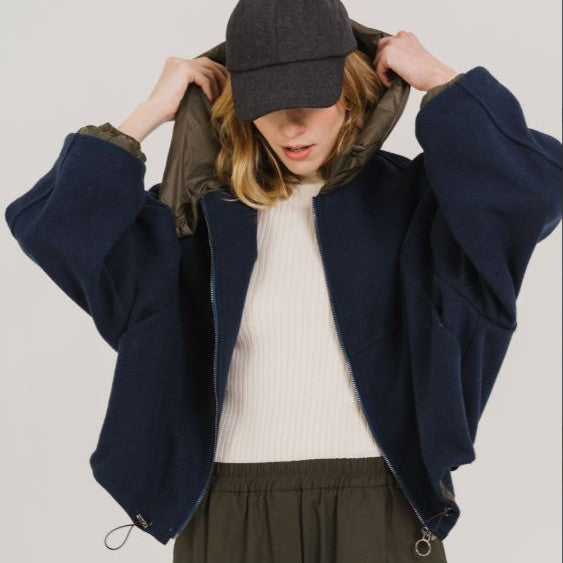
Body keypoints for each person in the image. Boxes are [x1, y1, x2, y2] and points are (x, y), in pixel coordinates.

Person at [4, 0, 561, 561]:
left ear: (352, 88)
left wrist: (441, 80)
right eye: (267, 104)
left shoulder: (416, 207)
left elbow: (534, 192)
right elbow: (54, 230)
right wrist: (149, 112)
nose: (291, 125)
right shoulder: (193, 224)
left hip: (382, 505)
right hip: (228, 510)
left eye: (312, 99)